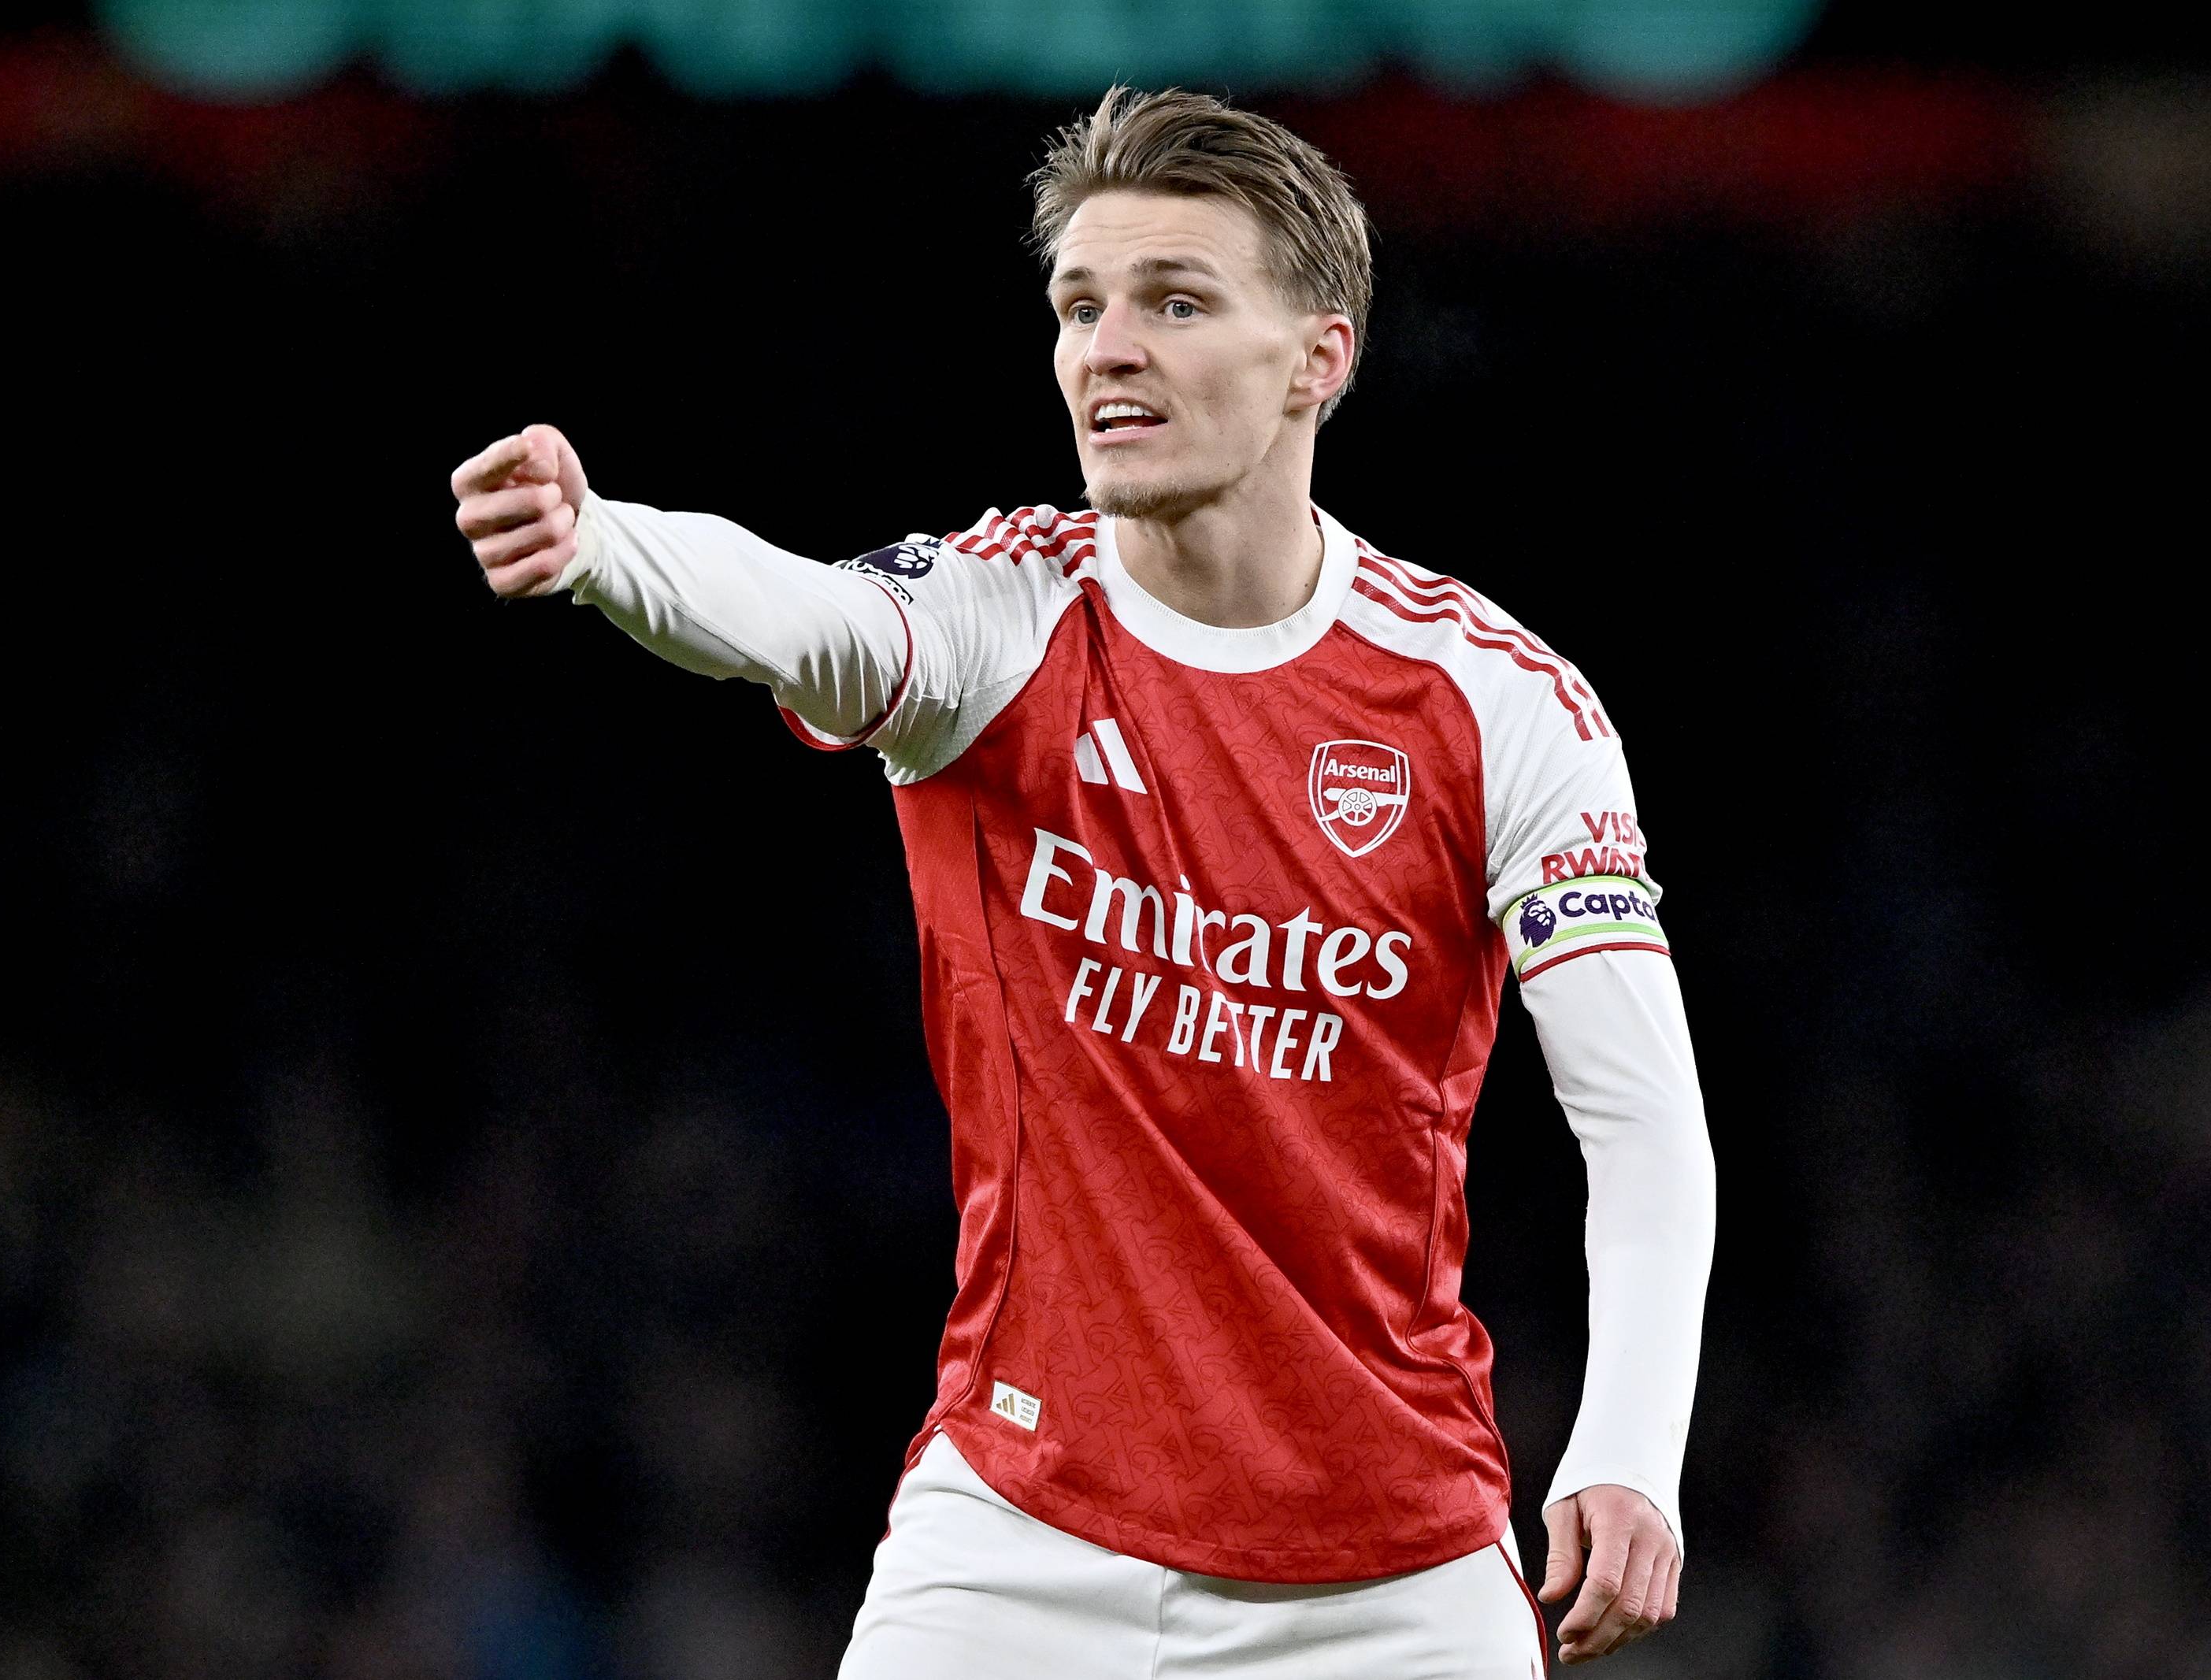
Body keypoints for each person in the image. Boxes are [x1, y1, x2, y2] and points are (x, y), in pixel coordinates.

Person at [449, 85, 1714, 1678]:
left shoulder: (1495, 705)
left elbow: (1641, 1121)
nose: (1108, 349)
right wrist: (601, 544)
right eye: (1079, 305)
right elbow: (797, 614)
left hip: (1391, 1578)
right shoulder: (1001, 620)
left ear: (1317, 357)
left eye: (1174, 302)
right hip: (1018, 1539)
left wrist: (1628, 1446)